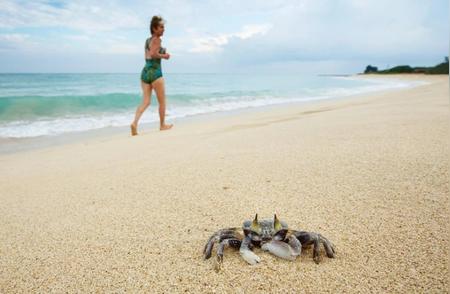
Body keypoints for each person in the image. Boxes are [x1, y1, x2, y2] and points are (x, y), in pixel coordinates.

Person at [131, 15, 173, 135]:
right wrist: (164, 56)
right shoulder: (157, 40)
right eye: (161, 27)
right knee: (162, 101)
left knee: (146, 101)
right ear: (154, 29)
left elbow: (149, 54)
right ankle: (162, 125)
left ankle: (134, 123)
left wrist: (161, 52)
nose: (163, 29)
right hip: (155, 71)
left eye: (163, 27)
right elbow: (153, 54)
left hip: (145, 72)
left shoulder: (147, 40)